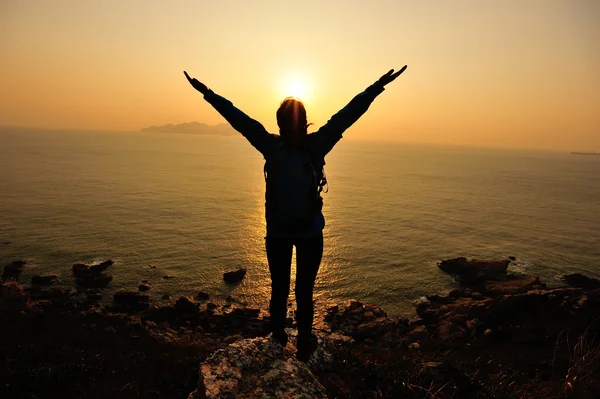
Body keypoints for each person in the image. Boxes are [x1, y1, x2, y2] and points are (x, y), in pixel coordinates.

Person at [184, 66, 407, 361]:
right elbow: (347, 114)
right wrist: (377, 86)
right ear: (303, 122)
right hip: (305, 233)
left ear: (281, 124)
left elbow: (239, 119)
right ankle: (300, 343)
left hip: (283, 233)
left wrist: (208, 94)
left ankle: (281, 338)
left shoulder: (275, 146)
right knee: (302, 291)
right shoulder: (314, 145)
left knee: (284, 289)